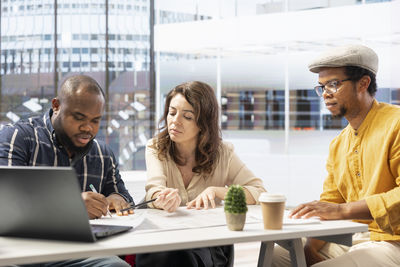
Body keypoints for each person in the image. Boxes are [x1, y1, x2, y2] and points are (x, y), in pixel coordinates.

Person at [272, 44, 400, 267]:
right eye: (322, 87)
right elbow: (331, 201)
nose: (326, 94)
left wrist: (343, 210)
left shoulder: (396, 124)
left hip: (392, 241)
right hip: (353, 237)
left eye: (333, 84)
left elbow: (339, 208)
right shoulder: (339, 142)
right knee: (277, 255)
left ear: (363, 83)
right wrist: (309, 249)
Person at [0, 75, 133, 267]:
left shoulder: (102, 154)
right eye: (79, 118)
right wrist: (72, 206)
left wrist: (116, 199)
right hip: (18, 250)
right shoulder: (18, 137)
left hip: (76, 254)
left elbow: (124, 198)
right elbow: (5, 202)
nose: (88, 128)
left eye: (95, 120)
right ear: (56, 105)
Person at [135, 81, 266, 267]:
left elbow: (259, 191)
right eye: (172, 113)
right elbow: (154, 188)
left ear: (203, 123)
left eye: (187, 116)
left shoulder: (223, 153)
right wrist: (160, 198)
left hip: (206, 243)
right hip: (164, 239)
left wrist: (217, 191)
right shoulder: (156, 147)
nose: (175, 121)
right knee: (167, 255)